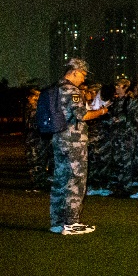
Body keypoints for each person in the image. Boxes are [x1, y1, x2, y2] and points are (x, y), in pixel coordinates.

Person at [49, 58, 108, 235]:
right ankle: (71, 223)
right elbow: (82, 115)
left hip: (59, 139)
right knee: (76, 180)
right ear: (74, 72)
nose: (84, 78)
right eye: (83, 74)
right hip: (73, 141)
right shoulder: (72, 90)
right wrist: (102, 111)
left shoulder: (56, 88)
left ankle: (57, 222)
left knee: (60, 180)